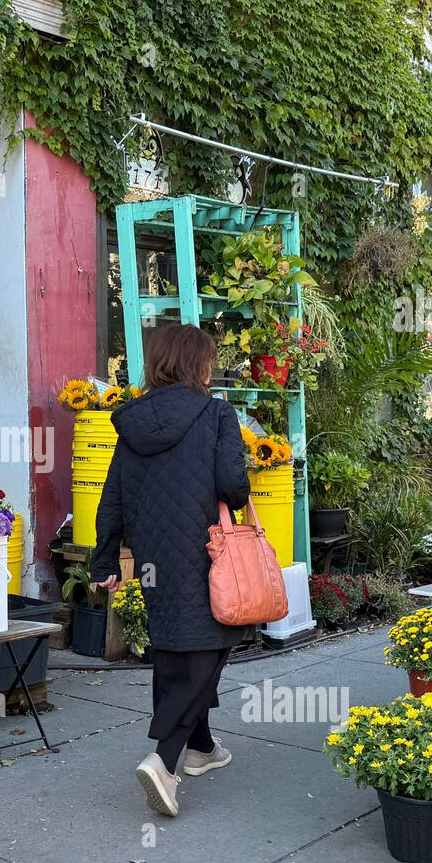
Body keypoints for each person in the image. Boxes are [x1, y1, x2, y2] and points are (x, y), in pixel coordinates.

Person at [89, 324, 251, 817]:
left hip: (155, 556)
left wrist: (104, 559)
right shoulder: (216, 413)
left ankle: (201, 747)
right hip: (207, 550)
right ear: (199, 365)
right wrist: (237, 489)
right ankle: (165, 760)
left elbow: (112, 495)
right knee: (210, 644)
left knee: (172, 646)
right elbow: (233, 485)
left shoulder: (131, 422)